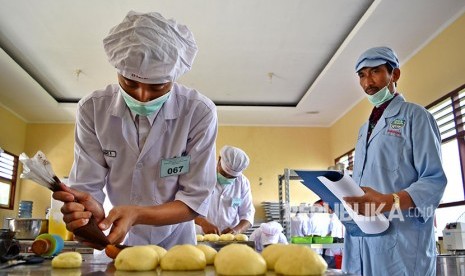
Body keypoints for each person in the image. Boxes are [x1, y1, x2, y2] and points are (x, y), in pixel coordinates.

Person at [52, 11, 218, 249]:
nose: (142, 97)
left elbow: (195, 199)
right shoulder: (93, 109)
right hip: (119, 244)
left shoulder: (198, 112)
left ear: (174, 77)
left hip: (178, 245)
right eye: (130, 83)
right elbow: (86, 189)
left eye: (158, 86)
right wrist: (88, 215)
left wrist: (137, 215)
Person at [342, 46, 447, 275]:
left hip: (403, 243)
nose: (368, 82)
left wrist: (388, 202)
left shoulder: (416, 116)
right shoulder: (364, 130)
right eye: (362, 75)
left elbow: (434, 181)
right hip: (366, 238)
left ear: (394, 75)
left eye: (375, 71)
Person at [195, 145, 255, 235]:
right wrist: (203, 223)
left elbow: (248, 213)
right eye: (223, 173)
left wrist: (236, 230)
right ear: (219, 160)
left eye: (232, 177)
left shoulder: (242, 182)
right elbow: (186, 206)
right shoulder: (201, 174)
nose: (227, 178)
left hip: (228, 239)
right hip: (199, 234)